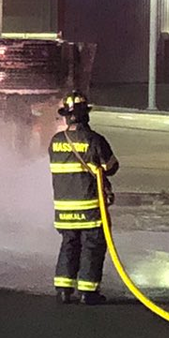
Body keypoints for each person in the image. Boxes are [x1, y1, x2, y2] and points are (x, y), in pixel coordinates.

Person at [49, 91, 118, 305]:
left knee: (69, 244)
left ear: (66, 117)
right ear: (86, 115)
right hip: (89, 208)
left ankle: (63, 289)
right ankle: (88, 292)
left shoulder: (55, 141)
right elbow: (111, 167)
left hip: (63, 208)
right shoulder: (94, 140)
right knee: (92, 246)